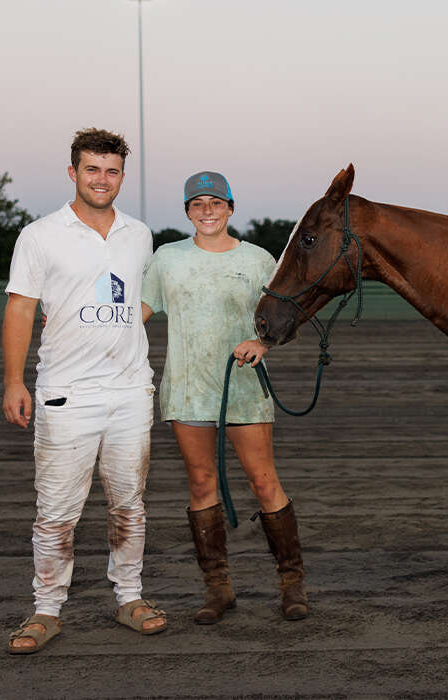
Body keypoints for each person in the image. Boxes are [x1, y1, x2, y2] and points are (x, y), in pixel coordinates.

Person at [2, 128, 167, 654]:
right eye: (92, 169)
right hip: (65, 393)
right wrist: (12, 380)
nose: (103, 179)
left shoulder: (139, 234)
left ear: (123, 176)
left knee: (129, 505)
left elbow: (140, 300)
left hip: (130, 392)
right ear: (73, 173)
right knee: (57, 512)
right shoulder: (40, 235)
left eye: (112, 170)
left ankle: (131, 598)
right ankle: (47, 610)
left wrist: (119, 332)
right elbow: (21, 308)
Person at [140, 171, 308, 624]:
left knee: (264, 482)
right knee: (200, 484)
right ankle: (218, 588)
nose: (207, 211)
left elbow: (285, 314)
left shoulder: (257, 259)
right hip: (188, 388)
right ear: (187, 212)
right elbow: (132, 313)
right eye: (198, 204)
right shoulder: (167, 258)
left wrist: (265, 343)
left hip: (244, 388)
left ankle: (291, 584)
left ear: (231, 208)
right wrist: (70, 322)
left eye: (216, 203)